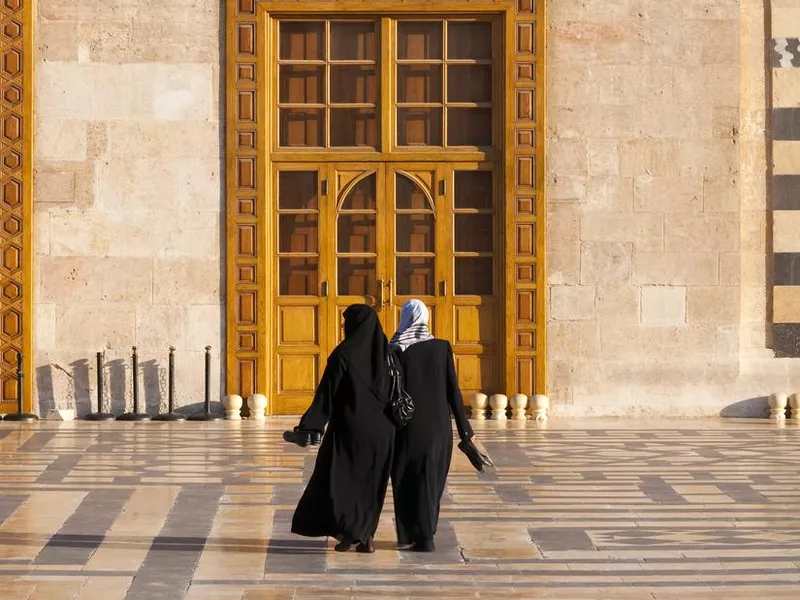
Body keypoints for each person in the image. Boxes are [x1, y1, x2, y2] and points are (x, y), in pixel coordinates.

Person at [283, 304, 395, 553]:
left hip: (350, 429)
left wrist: (308, 427)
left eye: (346, 322)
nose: (344, 327)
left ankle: (350, 531)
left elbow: (327, 395)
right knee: (371, 483)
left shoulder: (344, 354)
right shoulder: (388, 354)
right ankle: (363, 536)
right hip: (384, 432)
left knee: (340, 481)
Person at [389, 299, 492, 553]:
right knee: (431, 480)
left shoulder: (395, 349)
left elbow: (390, 393)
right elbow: (453, 392)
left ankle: (411, 535)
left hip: (407, 428)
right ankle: (427, 533)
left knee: (405, 479)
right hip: (438, 429)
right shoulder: (441, 347)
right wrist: (465, 430)